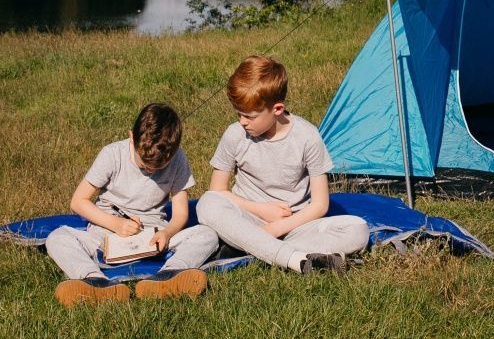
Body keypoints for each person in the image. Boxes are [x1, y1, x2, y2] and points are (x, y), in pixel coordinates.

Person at [197, 55, 369, 272]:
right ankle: (291, 258)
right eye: (239, 114)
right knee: (207, 203)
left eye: (249, 116)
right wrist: (261, 210)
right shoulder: (234, 134)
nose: (242, 121)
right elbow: (217, 191)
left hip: (294, 226)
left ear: (277, 109)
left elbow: (320, 205)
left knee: (358, 231)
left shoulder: (307, 136)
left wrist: (275, 228)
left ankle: (249, 247)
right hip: (246, 220)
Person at [46, 102, 218, 307]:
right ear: (131, 136)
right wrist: (116, 224)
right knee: (57, 237)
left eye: (158, 167)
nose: (150, 171)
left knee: (207, 234)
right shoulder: (112, 154)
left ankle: (170, 275)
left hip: (154, 237)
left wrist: (167, 233)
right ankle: (94, 280)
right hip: (106, 235)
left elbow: (180, 213)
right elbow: (78, 202)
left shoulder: (178, 159)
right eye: (144, 165)